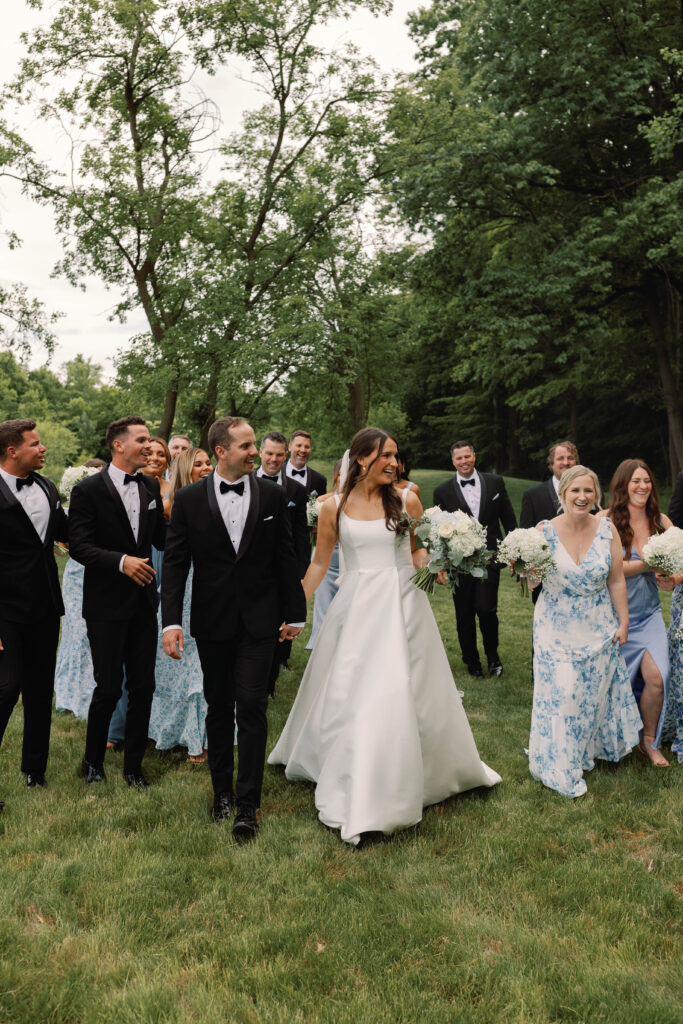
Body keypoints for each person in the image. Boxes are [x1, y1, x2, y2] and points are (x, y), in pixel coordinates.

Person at [269, 427, 501, 846]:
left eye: (396, 455)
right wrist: (294, 607)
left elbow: (414, 551)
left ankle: (417, 773)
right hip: (356, 607)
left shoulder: (407, 498)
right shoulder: (332, 506)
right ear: (361, 459)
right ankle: (354, 771)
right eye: (386, 455)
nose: (394, 462)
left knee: (405, 688)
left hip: (403, 602)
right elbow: (320, 563)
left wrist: (439, 559)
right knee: (353, 690)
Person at [161, 416, 306, 841]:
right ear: (221, 450)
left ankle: (248, 804)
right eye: (245, 446)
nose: (255, 453)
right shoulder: (187, 500)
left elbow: (285, 555)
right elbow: (175, 563)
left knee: (252, 705)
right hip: (213, 620)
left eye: (254, 445)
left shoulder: (273, 495)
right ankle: (221, 793)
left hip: (260, 620)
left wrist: (294, 612)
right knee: (219, 706)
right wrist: (170, 620)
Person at [528, 465, 641, 797]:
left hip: (597, 625)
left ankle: (581, 752)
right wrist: (524, 565)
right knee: (561, 693)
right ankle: (559, 766)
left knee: (587, 697)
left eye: (588, 491)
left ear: (597, 495)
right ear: (562, 493)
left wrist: (623, 622)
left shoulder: (607, 529)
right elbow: (533, 581)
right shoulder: (543, 531)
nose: (582, 497)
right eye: (575, 490)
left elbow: (616, 579)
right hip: (554, 626)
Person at [69, 416, 166, 788]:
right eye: (141, 440)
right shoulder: (88, 491)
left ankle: (133, 767)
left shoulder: (151, 487)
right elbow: (79, 546)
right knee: (108, 687)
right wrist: (121, 562)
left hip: (144, 604)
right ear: (118, 445)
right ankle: (93, 763)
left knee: (143, 687)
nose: (148, 446)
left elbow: (162, 539)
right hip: (106, 605)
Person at [0, 419, 69, 804]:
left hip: (44, 604)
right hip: (4, 609)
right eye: (35, 444)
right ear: (13, 451)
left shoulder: (46, 485)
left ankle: (34, 770)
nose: (43, 449)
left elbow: (63, 531)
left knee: (41, 690)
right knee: (7, 686)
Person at [599, 460, 678, 767]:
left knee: (659, 677)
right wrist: (648, 563)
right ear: (622, 485)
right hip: (610, 618)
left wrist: (674, 577)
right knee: (605, 684)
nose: (643, 486)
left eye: (647, 481)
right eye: (635, 481)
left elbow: (680, 559)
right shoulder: (605, 521)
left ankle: (649, 741)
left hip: (649, 616)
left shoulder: (661, 521)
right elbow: (608, 568)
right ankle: (606, 740)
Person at [148, 448, 212, 762]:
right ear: (186, 469)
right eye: (198, 463)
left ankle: (204, 734)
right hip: (183, 588)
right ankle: (183, 734)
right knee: (181, 664)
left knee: (206, 664)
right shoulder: (174, 504)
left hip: (212, 585)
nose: (205, 467)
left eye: (208, 462)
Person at [433, 440, 517, 677]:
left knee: (487, 609)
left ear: (474, 456)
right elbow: (438, 530)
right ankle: (472, 662)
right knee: (464, 613)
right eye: (459, 458)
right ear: (453, 461)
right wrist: (440, 561)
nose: (464, 461)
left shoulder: (495, 482)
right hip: (458, 562)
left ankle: (493, 657)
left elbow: (509, 519)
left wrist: (514, 551)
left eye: (467, 456)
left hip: (490, 556)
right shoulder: (442, 491)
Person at [257, 431, 310, 691]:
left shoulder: (297, 490)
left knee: (276, 626)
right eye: (269, 453)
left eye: (279, 455)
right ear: (260, 452)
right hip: (252, 567)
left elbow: (302, 536)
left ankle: (268, 684)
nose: (274, 459)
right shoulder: (245, 481)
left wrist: (300, 573)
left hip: (282, 568)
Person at [305, 459, 343, 651]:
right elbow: (312, 531)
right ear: (336, 475)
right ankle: (321, 643)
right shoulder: (322, 501)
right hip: (326, 555)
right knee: (323, 601)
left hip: (347, 557)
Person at [520, 442, 579, 529]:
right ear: (552, 464)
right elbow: (525, 533)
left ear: (576, 462)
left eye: (570, 458)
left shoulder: (591, 491)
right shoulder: (532, 495)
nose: (566, 462)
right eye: (560, 458)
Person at [286, 430, 327, 497]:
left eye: (307, 447)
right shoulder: (276, 474)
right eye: (299, 445)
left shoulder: (320, 480)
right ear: (289, 447)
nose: (303, 450)